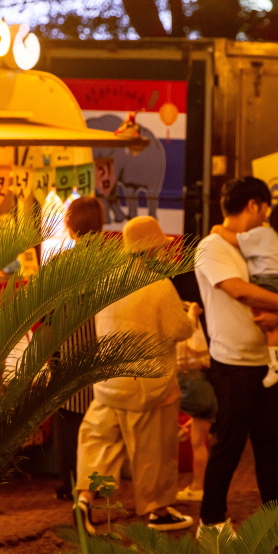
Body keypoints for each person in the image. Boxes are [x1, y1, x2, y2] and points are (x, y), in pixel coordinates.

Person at [75, 216, 196, 532]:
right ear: (153, 249)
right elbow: (178, 330)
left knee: (100, 441)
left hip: (108, 380)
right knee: (154, 450)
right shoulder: (158, 286)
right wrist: (192, 316)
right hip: (148, 385)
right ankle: (158, 510)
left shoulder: (108, 281)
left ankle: (84, 499)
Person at [195, 176, 278, 530]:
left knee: (272, 447)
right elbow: (239, 291)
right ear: (254, 205)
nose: (266, 219)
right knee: (229, 445)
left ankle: (274, 523)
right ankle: (211, 521)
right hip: (233, 363)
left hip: (268, 360)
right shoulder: (211, 247)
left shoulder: (253, 245)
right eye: (265, 210)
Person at [209, 197, 278, 387]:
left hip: (266, 282)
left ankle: (277, 366)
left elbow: (235, 240)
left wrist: (218, 230)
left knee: (270, 327)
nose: (265, 216)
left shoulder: (263, 235)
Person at [52, 196, 106, 502]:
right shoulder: (113, 261)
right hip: (106, 351)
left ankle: (71, 483)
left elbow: (45, 314)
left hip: (69, 352)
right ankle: (96, 484)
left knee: (69, 424)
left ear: (70, 225)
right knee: (100, 425)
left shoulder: (61, 264)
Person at [175, 303, 215, 502]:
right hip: (206, 385)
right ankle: (199, 485)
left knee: (197, 442)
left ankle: (197, 486)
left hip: (190, 384)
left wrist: (190, 314)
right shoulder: (208, 330)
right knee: (200, 442)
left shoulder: (184, 330)